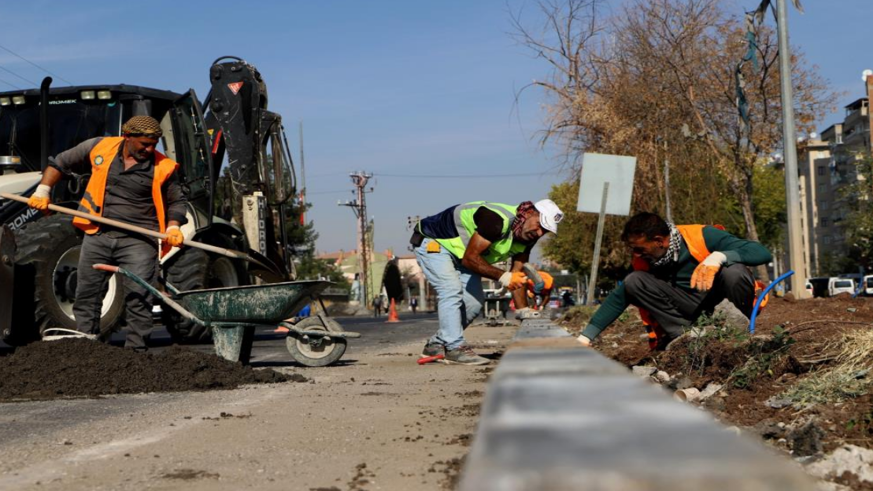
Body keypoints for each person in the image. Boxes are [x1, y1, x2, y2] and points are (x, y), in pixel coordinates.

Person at [27, 116, 188, 350]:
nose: (149, 149)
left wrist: (173, 226)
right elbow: (60, 162)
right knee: (87, 295)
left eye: (153, 144)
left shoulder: (163, 167)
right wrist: (43, 190)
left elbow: (177, 201)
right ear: (127, 137)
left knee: (139, 298)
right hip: (98, 234)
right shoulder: (100, 147)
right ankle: (89, 347)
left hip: (139, 240)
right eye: (144, 143)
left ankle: (136, 353)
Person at [576, 212, 772, 350]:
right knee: (634, 280)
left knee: (734, 270)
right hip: (691, 308)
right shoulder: (644, 260)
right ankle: (685, 337)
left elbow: (761, 253)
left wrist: (720, 256)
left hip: (723, 301)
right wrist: (586, 336)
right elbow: (620, 296)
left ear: (659, 241)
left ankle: (742, 328)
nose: (636, 254)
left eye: (640, 248)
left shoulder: (701, 236)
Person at [412, 199, 563, 365]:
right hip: (435, 242)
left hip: (463, 255)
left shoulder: (527, 236)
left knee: (473, 304)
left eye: (545, 231)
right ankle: (454, 348)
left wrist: (523, 310)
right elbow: (471, 259)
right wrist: (503, 277)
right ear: (528, 213)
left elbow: (516, 274)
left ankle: (436, 344)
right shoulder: (496, 220)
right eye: (540, 225)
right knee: (451, 290)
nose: (540, 233)